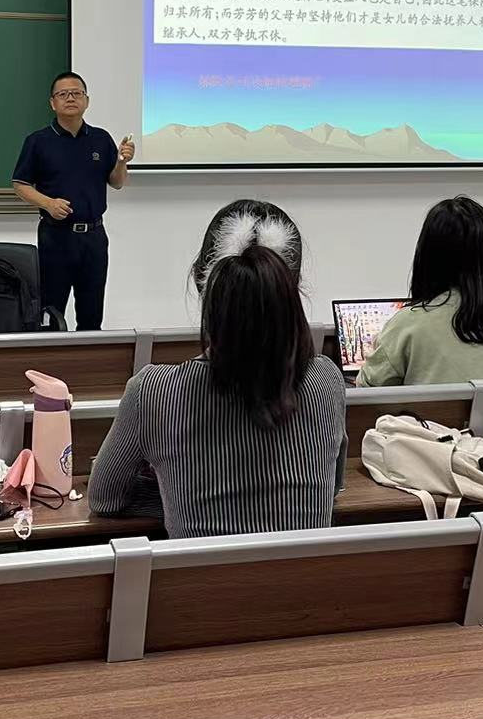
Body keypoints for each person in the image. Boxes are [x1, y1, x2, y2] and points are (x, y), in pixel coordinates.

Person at [89, 202, 345, 538]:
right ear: (291, 287)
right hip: (307, 575)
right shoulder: (326, 380)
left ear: (202, 281)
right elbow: (333, 485)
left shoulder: (153, 392)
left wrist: (180, 493)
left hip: (196, 575)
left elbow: (105, 499)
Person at [359, 196, 483, 387]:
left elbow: (367, 391)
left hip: (427, 409)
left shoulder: (408, 325)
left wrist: (380, 346)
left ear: (426, 255)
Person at [11, 72, 134, 331]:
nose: (70, 98)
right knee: (50, 313)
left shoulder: (101, 139)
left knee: (92, 314)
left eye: (77, 93)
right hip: (55, 237)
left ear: (86, 101)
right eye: (63, 94)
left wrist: (122, 162)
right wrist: (48, 203)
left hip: (94, 237)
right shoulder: (38, 141)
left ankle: (88, 357)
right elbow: (20, 185)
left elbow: (116, 182)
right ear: (52, 103)